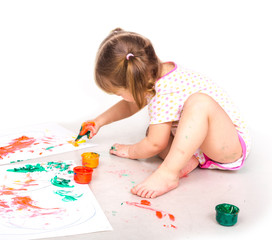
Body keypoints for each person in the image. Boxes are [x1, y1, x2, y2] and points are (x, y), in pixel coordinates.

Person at [79, 28, 251, 199]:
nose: (120, 97)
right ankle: (189, 159)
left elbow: (155, 144)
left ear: (134, 84)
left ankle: (168, 174)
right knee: (153, 132)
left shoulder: (165, 92)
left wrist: (132, 151)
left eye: (118, 93)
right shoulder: (153, 74)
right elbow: (130, 106)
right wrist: (99, 121)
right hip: (202, 145)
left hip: (228, 146)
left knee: (196, 105)